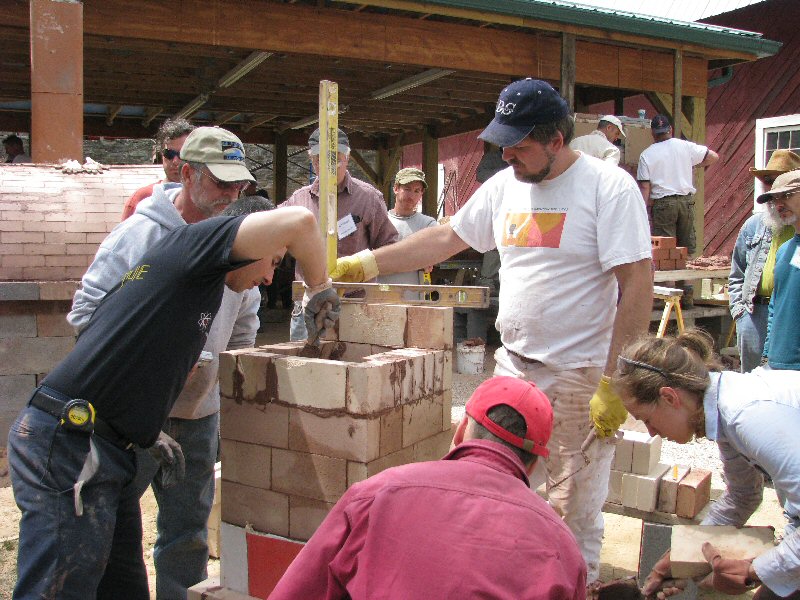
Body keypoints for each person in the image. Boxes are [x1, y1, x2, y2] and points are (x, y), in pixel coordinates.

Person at [331, 77, 654, 584]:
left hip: (579, 375)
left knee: (574, 505)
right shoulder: (506, 187)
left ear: (556, 139)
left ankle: (573, 584)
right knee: (487, 486)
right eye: (502, 145)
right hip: (513, 367)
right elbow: (444, 238)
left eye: (519, 146)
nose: (507, 157)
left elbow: (636, 284)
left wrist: (617, 380)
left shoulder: (607, 188)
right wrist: (370, 261)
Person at [8, 166, 338, 600]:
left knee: (122, 588)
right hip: (71, 446)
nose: (267, 278)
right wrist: (320, 289)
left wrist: (141, 430)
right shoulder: (196, 245)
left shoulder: (199, 288)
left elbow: (138, 360)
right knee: (59, 590)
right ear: (251, 241)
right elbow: (302, 222)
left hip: (112, 449)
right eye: (274, 262)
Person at [69, 127, 264, 599]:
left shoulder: (235, 240)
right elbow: (86, 315)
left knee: (188, 536)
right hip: (130, 420)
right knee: (112, 533)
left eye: (239, 186)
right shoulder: (139, 237)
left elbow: (244, 324)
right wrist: (161, 358)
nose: (231, 195)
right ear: (188, 172)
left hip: (198, 417)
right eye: (221, 183)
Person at [270, 376, 586, 600]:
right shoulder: (562, 549)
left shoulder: (376, 494)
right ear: (532, 464)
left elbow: (298, 590)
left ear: (462, 429)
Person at [614, 329, 800, 600]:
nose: (651, 432)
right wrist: (683, 555)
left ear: (669, 397)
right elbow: (743, 496)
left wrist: (754, 571)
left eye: (647, 419)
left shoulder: (746, 415)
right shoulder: (726, 413)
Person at [280, 127, 398, 340]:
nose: (326, 166)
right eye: (318, 159)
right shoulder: (299, 200)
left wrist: (360, 266)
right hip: (308, 301)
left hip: (356, 303)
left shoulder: (368, 198)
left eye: (336, 159)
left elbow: (389, 246)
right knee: (302, 365)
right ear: (311, 159)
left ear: (348, 157)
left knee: (357, 367)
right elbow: (274, 237)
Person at [728, 150, 800, 372]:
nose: (777, 198)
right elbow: (737, 272)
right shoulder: (755, 225)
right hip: (755, 312)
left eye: (785, 193)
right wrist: (740, 312)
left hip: (790, 325)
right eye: (769, 184)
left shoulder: (793, 227)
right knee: (754, 386)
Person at [637, 114, 719, 256]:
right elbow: (713, 156)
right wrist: (693, 165)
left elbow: (645, 187)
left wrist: (641, 210)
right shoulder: (685, 146)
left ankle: (669, 279)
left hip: (663, 204)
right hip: (685, 202)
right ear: (670, 129)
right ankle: (686, 278)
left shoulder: (646, 155)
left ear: (653, 133)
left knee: (665, 252)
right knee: (685, 251)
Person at [758, 169, 800, 370]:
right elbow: (775, 306)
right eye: (775, 199)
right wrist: (767, 356)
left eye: (787, 195)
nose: (779, 204)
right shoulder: (784, 250)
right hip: (778, 365)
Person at [120, 118, 195, 220]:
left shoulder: (204, 197)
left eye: (182, 154)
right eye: (169, 154)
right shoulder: (141, 198)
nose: (175, 161)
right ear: (162, 155)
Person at [377, 167, 437, 288]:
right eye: (407, 189)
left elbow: (434, 255)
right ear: (396, 189)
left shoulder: (428, 224)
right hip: (382, 296)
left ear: (422, 193)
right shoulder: (379, 221)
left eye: (417, 191)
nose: (412, 196)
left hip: (414, 299)